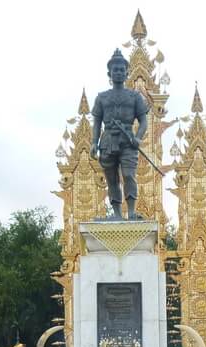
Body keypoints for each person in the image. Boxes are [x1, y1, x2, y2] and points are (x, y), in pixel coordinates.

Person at [91, 48, 149, 220]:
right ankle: (116, 213)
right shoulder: (102, 98)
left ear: (127, 73)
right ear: (109, 73)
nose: (118, 72)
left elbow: (143, 121)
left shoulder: (135, 97)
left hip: (128, 140)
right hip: (108, 140)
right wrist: (94, 142)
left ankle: (131, 211)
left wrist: (138, 137)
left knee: (129, 174)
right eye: (115, 69)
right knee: (111, 178)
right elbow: (97, 122)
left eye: (121, 69)